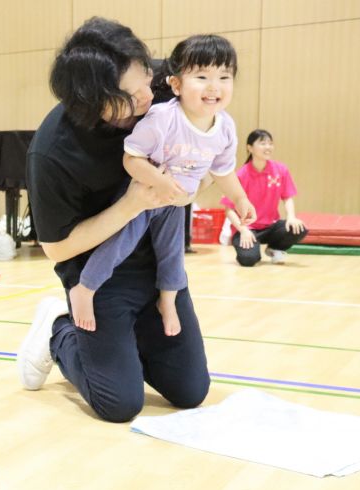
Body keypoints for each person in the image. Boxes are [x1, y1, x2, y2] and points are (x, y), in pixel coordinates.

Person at [18, 17, 211, 423]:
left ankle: (121, 343)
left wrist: (195, 183)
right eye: (129, 93)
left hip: (158, 262)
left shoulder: (162, 86)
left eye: (146, 76)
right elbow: (56, 247)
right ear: (91, 103)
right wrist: (132, 204)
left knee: (190, 391)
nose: (147, 94)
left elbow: (207, 142)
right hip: (98, 275)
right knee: (119, 404)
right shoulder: (53, 151)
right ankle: (58, 331)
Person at [67, 35, 256, 337]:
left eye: (224, 76)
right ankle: (85, 289)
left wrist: (240, 198)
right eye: (202, 76)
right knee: (120, 243)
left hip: (175, 204)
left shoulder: (225, 127)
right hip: (145, 198)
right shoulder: (164, 118)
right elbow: (131, 159)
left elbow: (223, 170)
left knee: (173, 253)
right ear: (177, 85)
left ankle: (167, 300)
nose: (214, 86)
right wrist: (160, 183)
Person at [222, 129, 307, 266]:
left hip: (271, 226)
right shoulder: (241, 175)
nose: (268, 147)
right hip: (247, 228)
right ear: (250, 148)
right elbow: (229, 210)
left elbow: (287, 197)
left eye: (270, 143)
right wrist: (243, 230)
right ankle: (252, 249)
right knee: (248, 260)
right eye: (262, 143)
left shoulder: (280, 170)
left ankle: (275, 249)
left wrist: (291, 216)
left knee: (299, 228)